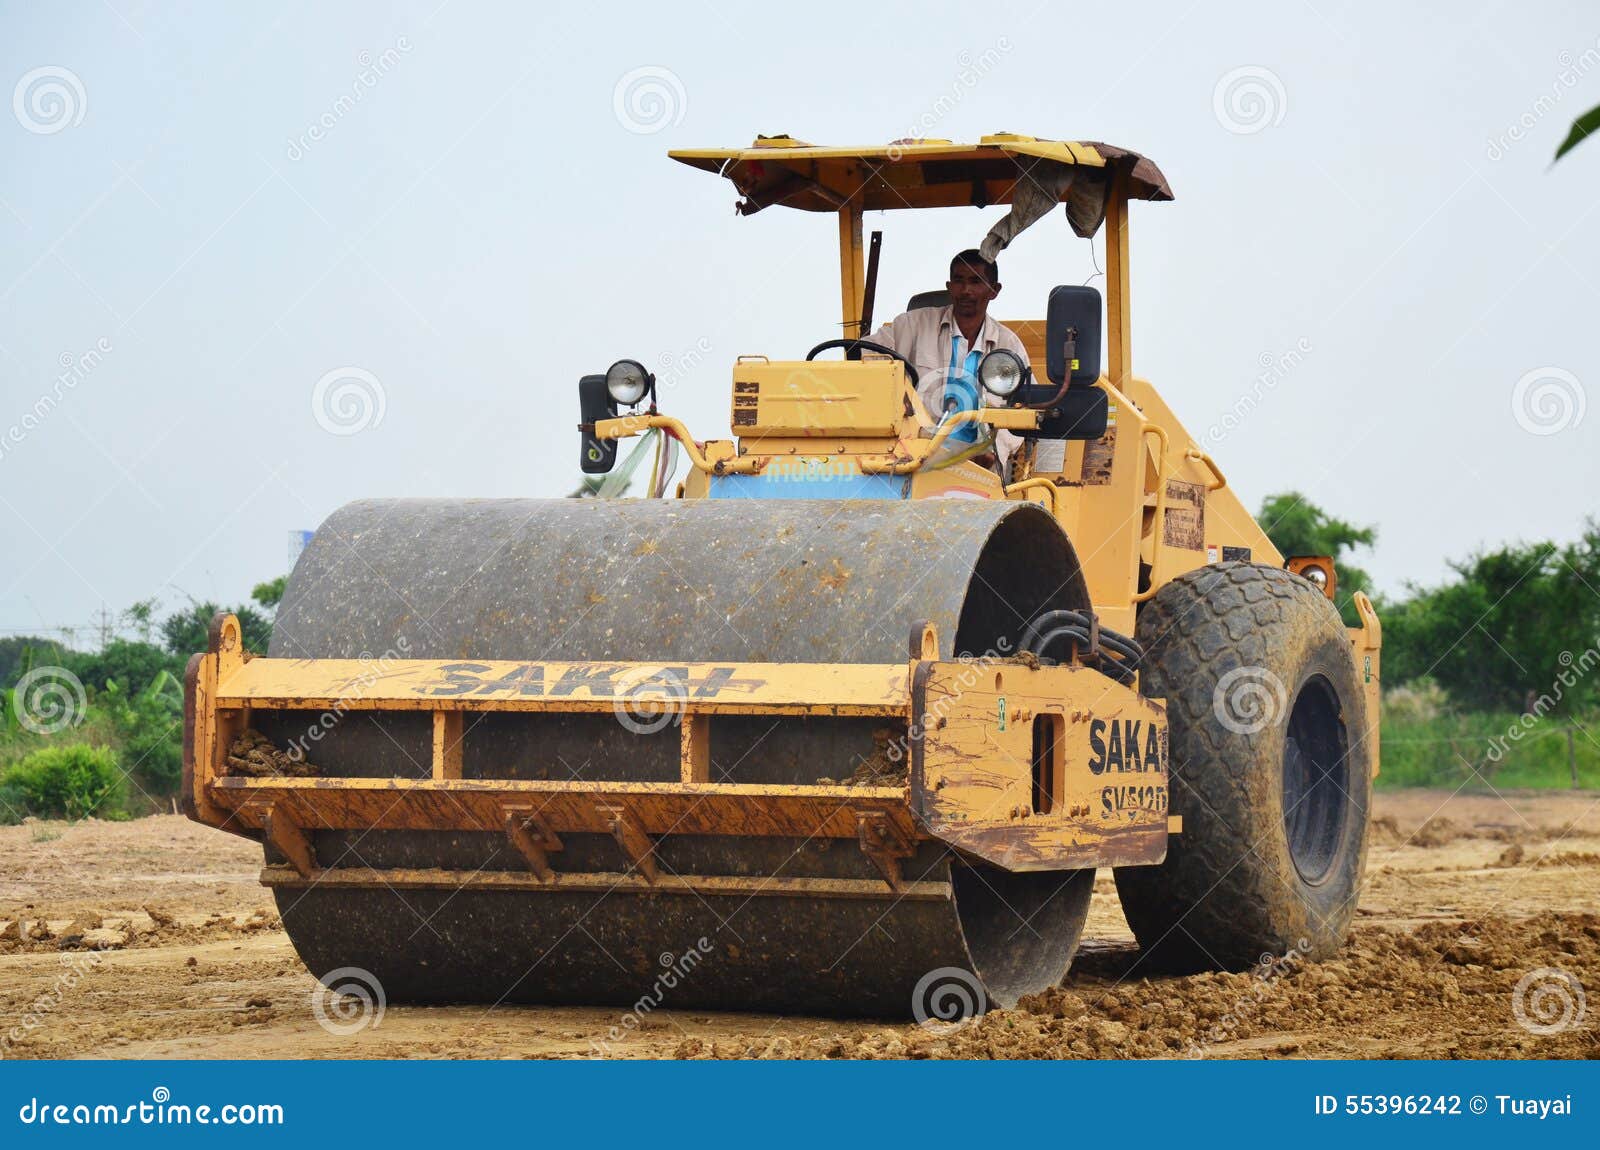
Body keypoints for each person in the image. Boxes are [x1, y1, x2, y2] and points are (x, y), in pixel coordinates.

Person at [866, 249, 1029, 470]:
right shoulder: (912, 325)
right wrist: (898, 397)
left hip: (980, 465)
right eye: (958, 281)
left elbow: (1024, 410)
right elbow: (864, 356)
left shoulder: (1008, 344)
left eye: (976, 281)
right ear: (949, 286)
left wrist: (993, 450)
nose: (966, 290)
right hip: (913, 456)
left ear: (994, 290)